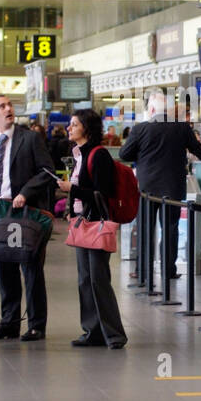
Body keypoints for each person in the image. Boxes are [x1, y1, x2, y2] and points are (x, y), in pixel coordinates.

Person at [0, 95, 56, 341]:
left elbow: (47, 172)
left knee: (31, 268)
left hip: (25, 214)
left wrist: (25, 193)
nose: (8, 109)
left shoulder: (29, 139)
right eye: (2, 106)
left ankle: (36, 325)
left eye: (10, 105)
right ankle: (8, 323)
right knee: (5, 268)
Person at [120, 91, 201, 280]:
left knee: (145, 229)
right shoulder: (181, 128)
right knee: (170, 229)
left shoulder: (141, 129)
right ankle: (168, 270)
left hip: (146, 188)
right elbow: (197, 149)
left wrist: (141, 156)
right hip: (173, 187)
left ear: (152, 109)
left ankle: (143, 271)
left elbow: (124, 154)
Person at [57, 108, 128, 349]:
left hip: (97, 225)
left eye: (74, 124)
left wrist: (71, 190)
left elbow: (103, 192)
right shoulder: (78, 154)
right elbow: (81, 189)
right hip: (83, 223)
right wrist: (71, 208)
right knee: (85, 280)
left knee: (98, 279)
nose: (69, 128)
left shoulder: (98, 156)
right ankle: (93, 331)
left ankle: (114, 334)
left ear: (86, 128)